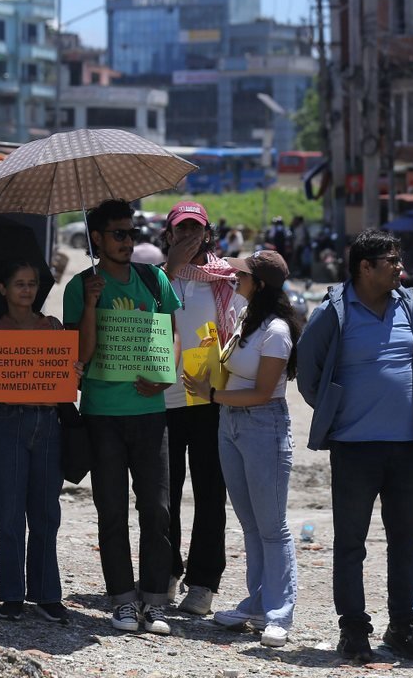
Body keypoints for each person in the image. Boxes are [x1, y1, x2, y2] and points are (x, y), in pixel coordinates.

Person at [296, 228, 413, 663]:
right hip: (354, 449)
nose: (400, 268)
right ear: (365, 267)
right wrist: (336, 410)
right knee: (351, 543)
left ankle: (402, 628)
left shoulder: (408, 305)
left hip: (409, 448)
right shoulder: (334, 313)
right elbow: (307, 372)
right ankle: (353, 628)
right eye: (392, 261)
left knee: (407, 541)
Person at [62, 199, 181, 636]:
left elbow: (171, 337)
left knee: (157, 509)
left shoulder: (154, 280)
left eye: (131, 233)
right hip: (102, 413)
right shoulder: (81, 287)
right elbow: (81, 356)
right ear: (97, 238)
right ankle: (123, 601)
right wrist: (91, 305)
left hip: (151, 413)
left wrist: (164, 377)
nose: (128, 241)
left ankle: (154, 602)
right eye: (118, 234)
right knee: (111, 510)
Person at [183, 250, 300, 649]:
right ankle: (257, 602)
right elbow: (234, 371)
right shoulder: (248, 320)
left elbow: (263, 392)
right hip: (230, 425)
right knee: (250, 524)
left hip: (262, 426)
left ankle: (279, 613)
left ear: (261, 284)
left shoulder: (277, 330)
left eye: (243, 275)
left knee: (272, 526)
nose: (235, 279)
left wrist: (212, 393)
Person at [0, 262, 69, 623]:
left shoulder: (52, 327)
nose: (26, 290)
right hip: (9, 423)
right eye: (19, 284)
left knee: (46, 513)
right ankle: (10, 594)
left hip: (48, 424)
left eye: (32, 284)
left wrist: (71, 371)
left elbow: (66, 381)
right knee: (8, 514)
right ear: (3, 289)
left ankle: (46, 594)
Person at [160, 202, 244, 616]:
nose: (189, 236)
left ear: (209, 233)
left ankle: (204, 582)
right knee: (165, 492)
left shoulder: (226, 280)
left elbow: (242, 333)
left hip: (211, 402)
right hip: (164, 399)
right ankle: (167, 571)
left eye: (196, 229)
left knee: (211, 493)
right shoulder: (156, 279)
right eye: (181, 230)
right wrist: (170, 268)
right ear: (169, 235)